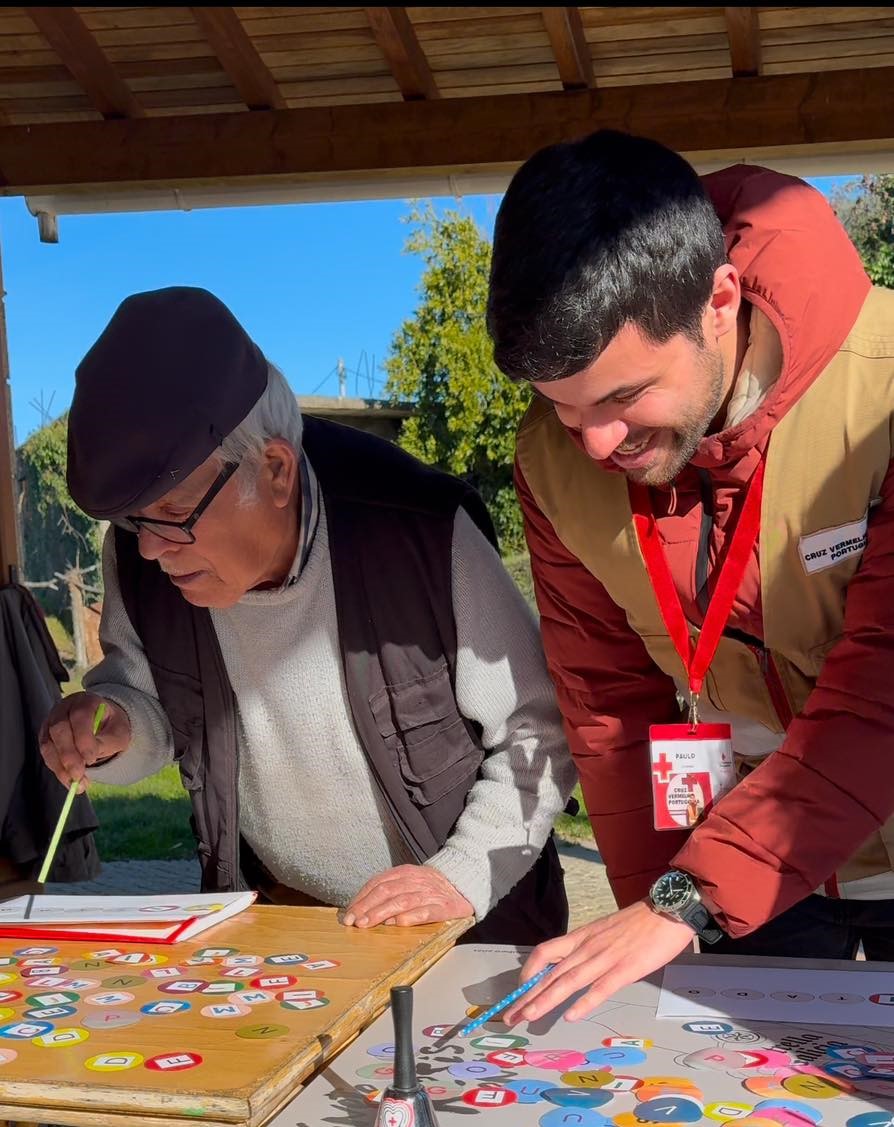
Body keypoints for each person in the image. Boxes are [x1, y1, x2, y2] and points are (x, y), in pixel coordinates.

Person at [485, 128, 894, 1022]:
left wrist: (684, 900)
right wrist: (653, 911)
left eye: (623, 396)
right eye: (562, 407)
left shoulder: (884, 388)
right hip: (742, 872)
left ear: (720, 301)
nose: (597, 443)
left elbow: (883, 691)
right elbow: (607, 709)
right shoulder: (552, 464)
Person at [39, 286, 577, 945]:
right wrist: (115, 726)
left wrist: (460, 875)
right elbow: (151, 707)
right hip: (288, 926)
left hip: (462, 926)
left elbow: (538, 726)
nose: (150, 547)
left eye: (174, 512)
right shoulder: (144, 553)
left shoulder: (421, 531)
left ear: (274, 470)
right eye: (132, 520)